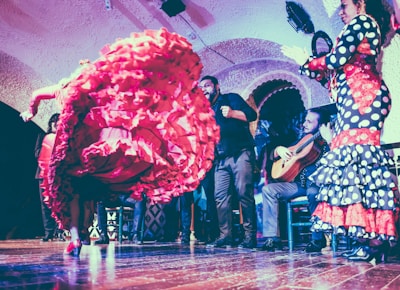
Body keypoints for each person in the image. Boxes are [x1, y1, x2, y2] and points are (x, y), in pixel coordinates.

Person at [20, 28, 219, 257]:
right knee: (78, 194)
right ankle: (78, 235)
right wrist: (29, 110)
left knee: (81, 195)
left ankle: (78, 235)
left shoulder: (89, 85)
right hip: (79, 149)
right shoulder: (72, 86)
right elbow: (37, 95)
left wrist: (30, 111)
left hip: (86, 149)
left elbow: (38, 96)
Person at [282, 0, 398, 263]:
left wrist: (307, 61)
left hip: (364, 99)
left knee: (360, 165)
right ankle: (368, 240)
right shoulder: (353, 35)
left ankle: (374, 240)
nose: (341, 12)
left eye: (345, 5)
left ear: (361, 3)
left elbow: (335, 59)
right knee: (352, 168)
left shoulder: (363, 22)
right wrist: (309, 66)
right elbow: (332, 78)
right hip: (354, 101)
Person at [199, 75, 258, 249]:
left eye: (207, 86)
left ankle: (249, 236)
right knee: (220, 197)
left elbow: (251, 115)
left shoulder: (231, 98)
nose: (203, 90)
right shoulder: (205, 111)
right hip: (220, 159)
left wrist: (232, 114)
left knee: (243, 193)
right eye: (200, 88)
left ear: (217, 87)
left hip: (240, 153)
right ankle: (226, 235)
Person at [260, 108, 331, 252]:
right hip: (299, 185)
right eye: (305, 120)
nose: (304, 124)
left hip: (317, 185)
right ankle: (272, 238)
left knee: (312, 192)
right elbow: (280, 154)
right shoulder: (302, 139)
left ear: (321, 125)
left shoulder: (328, 142)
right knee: (269, 190)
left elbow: (336, 159)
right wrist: (277, 150)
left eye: (309, 122)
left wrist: (329, 140)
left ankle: (317, 239)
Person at [35, 113, 64, 242]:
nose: (55, 124)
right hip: (43, 174)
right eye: (54, 122)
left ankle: (60, 230)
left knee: (59, 202)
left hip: (59, 174)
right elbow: (37, 153)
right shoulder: (42, 136)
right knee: (45, 204)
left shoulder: (63, 138)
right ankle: (49, 232)